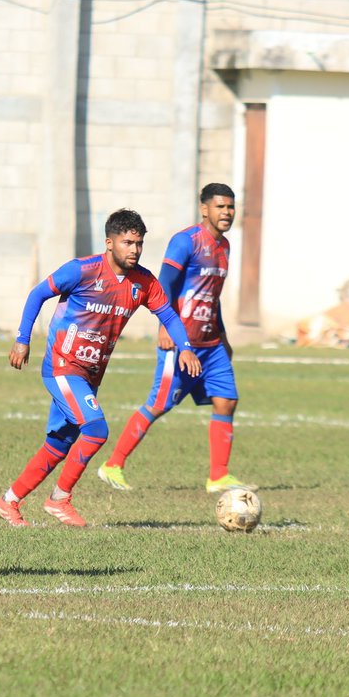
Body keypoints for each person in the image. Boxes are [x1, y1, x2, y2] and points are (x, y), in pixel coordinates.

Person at [0, 208, 201, 527]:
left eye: (139, 243)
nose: (134, 249)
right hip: (63, 366)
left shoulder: (143, 282)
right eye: (127, 242)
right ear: (109, 242)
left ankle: (9, 502)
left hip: (91, 374)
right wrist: (22, 339)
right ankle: (59, 499)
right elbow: (38, 294)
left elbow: (169, 315)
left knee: (59, 443)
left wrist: (185, 348)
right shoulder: (81, 270)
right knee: (96, 429)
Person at [98, 183, 255, 494]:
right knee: (159, 404)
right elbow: (165, 282)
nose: (227, 213)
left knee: (227, 401)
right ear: (204, 208)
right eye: (220, 207)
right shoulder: (186, 241)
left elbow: (213, 296)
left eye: (231, 207)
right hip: (182, 342)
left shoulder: (224, 247)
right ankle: (113, 464)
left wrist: (222, 334)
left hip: (211, 343)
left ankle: (218, 476)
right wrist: (166, 326)